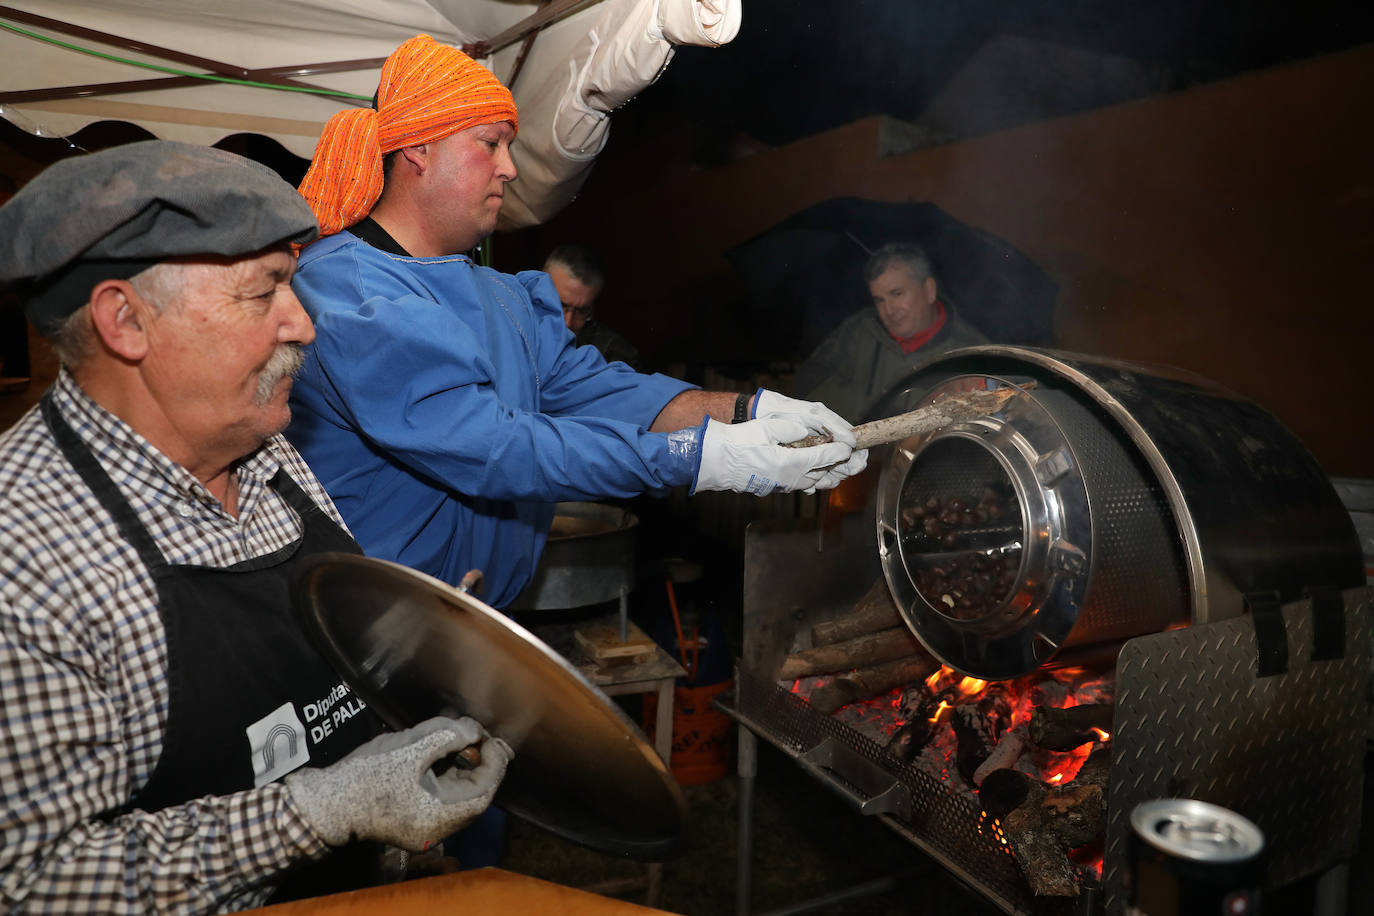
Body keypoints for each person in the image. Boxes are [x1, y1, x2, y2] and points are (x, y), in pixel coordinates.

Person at [0, 141, 510, 914]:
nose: (304, 325)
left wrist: (416, 667)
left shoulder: (268, 450)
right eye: (263, 292)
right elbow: (34, 883)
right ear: (125, 321)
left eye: (294, 285)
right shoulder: (27, 558)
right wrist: (322, 812)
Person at [286, 34, 867, 611]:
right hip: (368, 626)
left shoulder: (498, 294)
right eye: (490, 144)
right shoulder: (350, 294)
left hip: (466, 620)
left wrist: (747, 412)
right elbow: (494, 447)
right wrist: (696, 457)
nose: (509, 168)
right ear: (418, 149)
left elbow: (600, 390)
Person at [794, 242, 989, 423]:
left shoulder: (971, 350)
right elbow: (805, 388)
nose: (888, 310)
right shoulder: (859, 330)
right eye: (879, 300)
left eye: (897, 294)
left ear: (929, 290)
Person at [544, 243, 641, 368]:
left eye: (581, 310)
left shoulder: (612, 357)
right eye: (560, 304)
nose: (568, 323)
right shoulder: (515, 333)